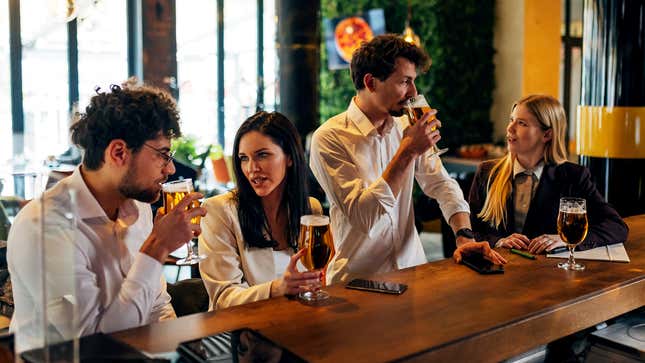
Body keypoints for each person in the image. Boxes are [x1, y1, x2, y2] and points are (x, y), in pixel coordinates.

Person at [7, 84, 206, 352]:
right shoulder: (45, 227)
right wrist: (158, 247)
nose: (170, 168)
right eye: (162, 155)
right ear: (118, 153)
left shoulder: (138, 206)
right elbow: (96, 344)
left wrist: (178, 352)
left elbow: (157, 304)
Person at [309, 34, 505, 284]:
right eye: (405, 82)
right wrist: (408, 151)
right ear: (371, 82)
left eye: (413, 82)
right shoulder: (329, 138)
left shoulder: (407, 124)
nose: (413, 92)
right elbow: (363, 216)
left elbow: (442, 185)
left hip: (413, 273)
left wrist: (464, 235)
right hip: (359, 284)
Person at [469, 94, 628, 254]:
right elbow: (468, 232)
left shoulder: (574, 176)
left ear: (547, 135)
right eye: (512, 120)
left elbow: (616, 227)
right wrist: (498, 241)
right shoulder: (487, 172)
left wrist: (565, 239)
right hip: (499, 273)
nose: (510, 128)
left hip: (550, 275)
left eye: (522, 123)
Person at [199, 111, 323, 310]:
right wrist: (276, 288)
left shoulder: (310, 209)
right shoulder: (218, 211)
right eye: (244, 158)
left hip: (299, 323)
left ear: (289, 157)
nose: (251, 168)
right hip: (240, 332)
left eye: (262, 155)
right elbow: (223, 298)